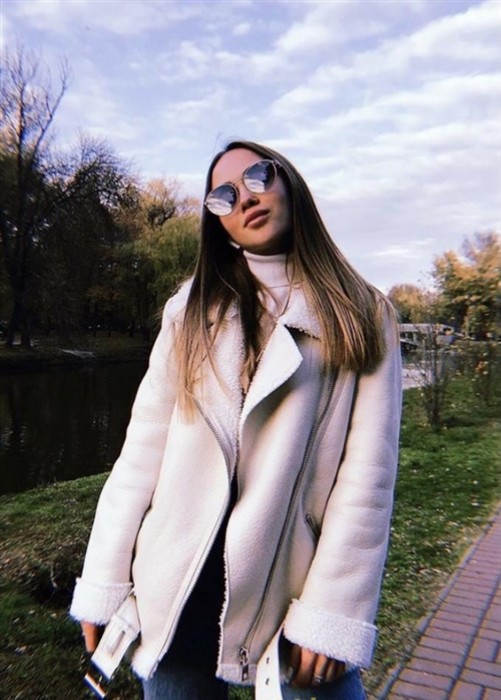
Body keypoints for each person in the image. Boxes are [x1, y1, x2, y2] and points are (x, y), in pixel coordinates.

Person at [70, 140, 402, 700]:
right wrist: (104, 578)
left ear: (289, 182)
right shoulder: (188, 313)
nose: (244, 197)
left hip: (293, 591)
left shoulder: (361, 313)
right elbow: (140, 457)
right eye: (222, 196)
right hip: (177, 592)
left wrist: (334, 608)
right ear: (219, 226)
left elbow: (367, 476)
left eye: (258, 176)